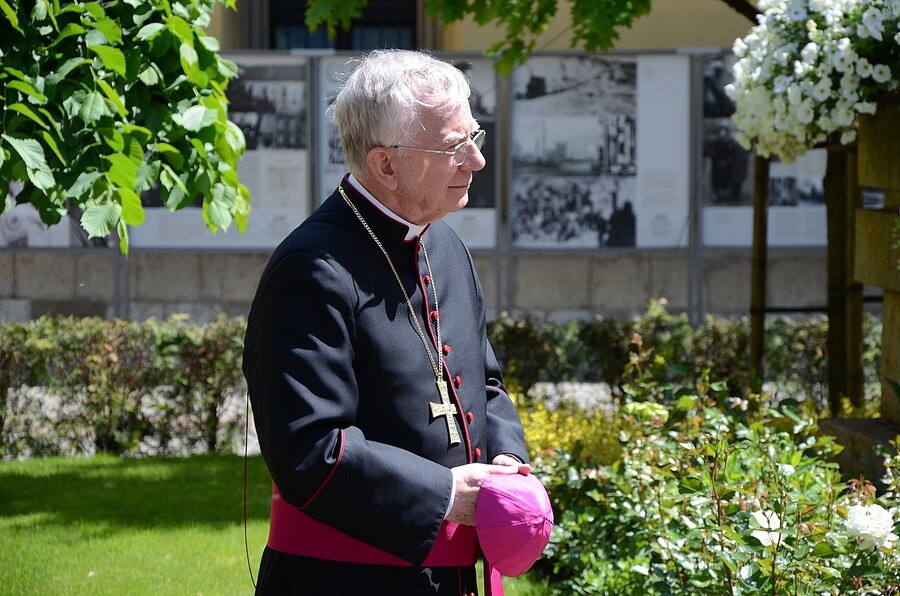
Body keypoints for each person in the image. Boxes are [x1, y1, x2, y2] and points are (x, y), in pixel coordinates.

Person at [242, 49, 531, 595]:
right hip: (343, 581)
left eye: (476, 137)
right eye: (453, 147)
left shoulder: (445, 246)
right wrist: (448, 495)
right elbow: (310, 449)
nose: (476, 161)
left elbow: (483, 383)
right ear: (386, 165)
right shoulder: (311, 270)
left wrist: (506, 460)